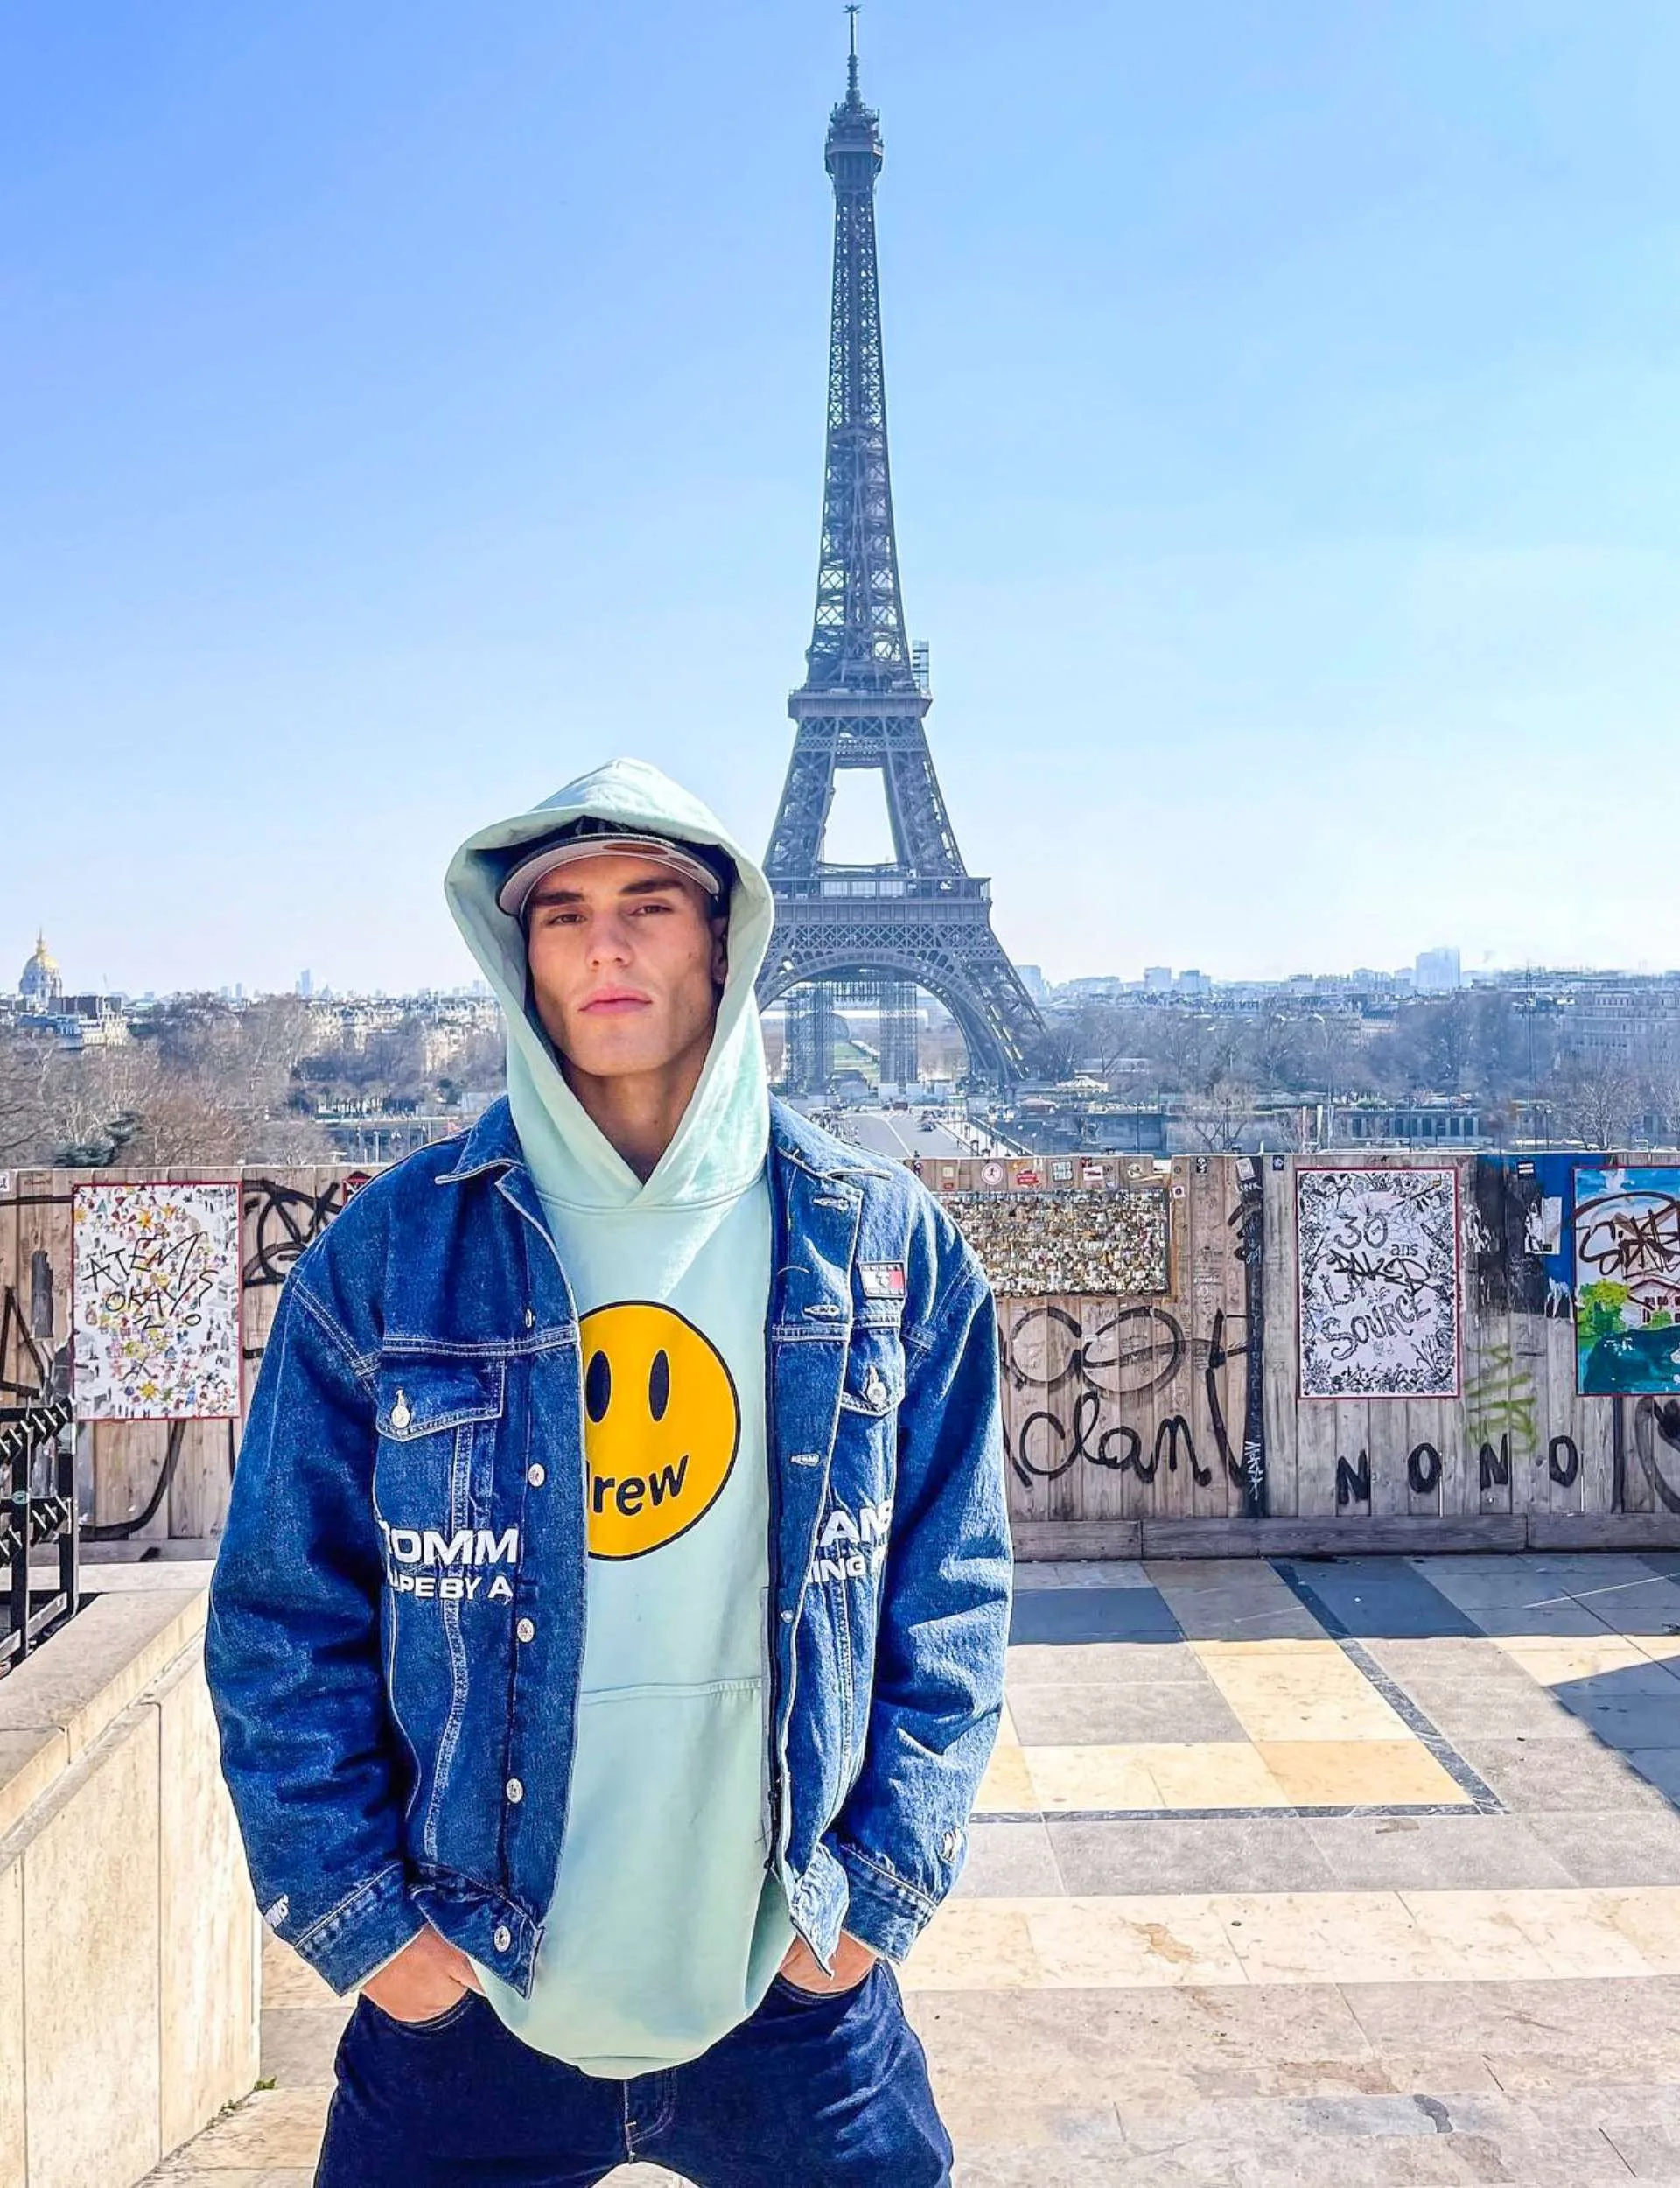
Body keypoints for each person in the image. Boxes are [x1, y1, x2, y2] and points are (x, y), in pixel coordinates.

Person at [206, 757, 1011, 2187]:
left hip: (791, 1990)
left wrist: (870, 1909)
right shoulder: (388, 1255)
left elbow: (949, 1591)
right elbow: (282, 1615)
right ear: (520, 956)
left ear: (728, 938)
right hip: (471, 1991)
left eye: (649, 903)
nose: (609, 943)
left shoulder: (884, 1243)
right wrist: (376, 1939)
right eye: (565, 913)